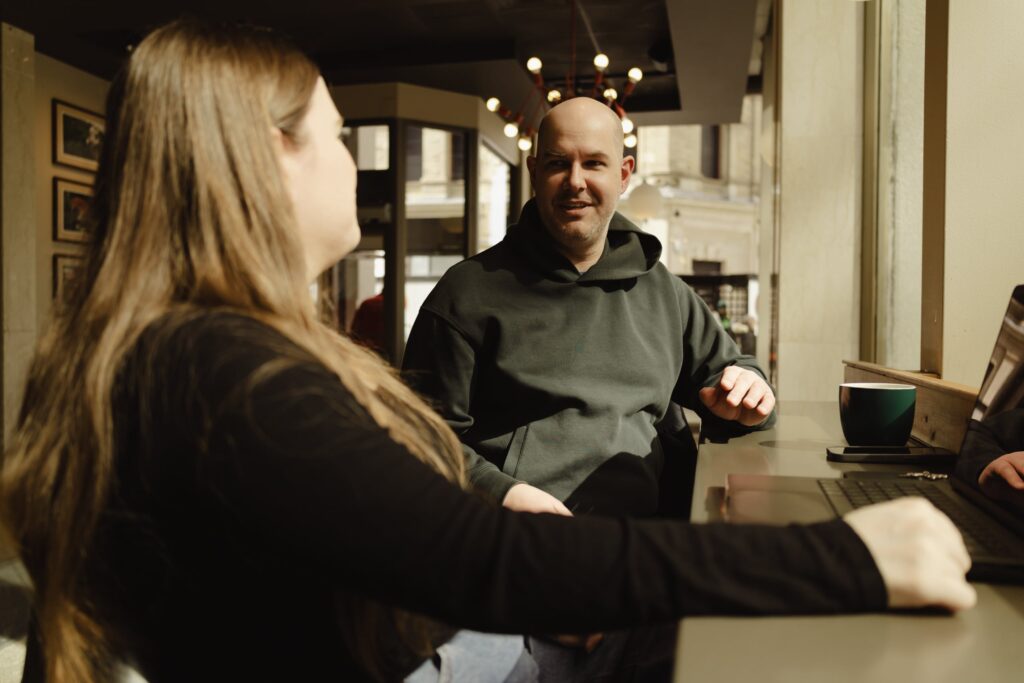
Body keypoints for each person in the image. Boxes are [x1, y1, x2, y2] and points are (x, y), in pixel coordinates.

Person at [0, 19, 975, 683]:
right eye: (340, 139)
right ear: (264, 158)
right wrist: (842, 555)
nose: (357, 166)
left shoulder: (199, 354)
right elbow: (483, 559)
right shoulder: (227, 375)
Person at [403, 97, 775, 520]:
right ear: (534, 172)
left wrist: (751, 391)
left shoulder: (662, 289)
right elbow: (420, 437)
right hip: (520, 542)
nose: (574, 181)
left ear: (623, 175)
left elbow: (731, 374)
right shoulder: (465, 293)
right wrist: (501, 494)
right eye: (557, 163)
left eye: (594, 163)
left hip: (647, 538)